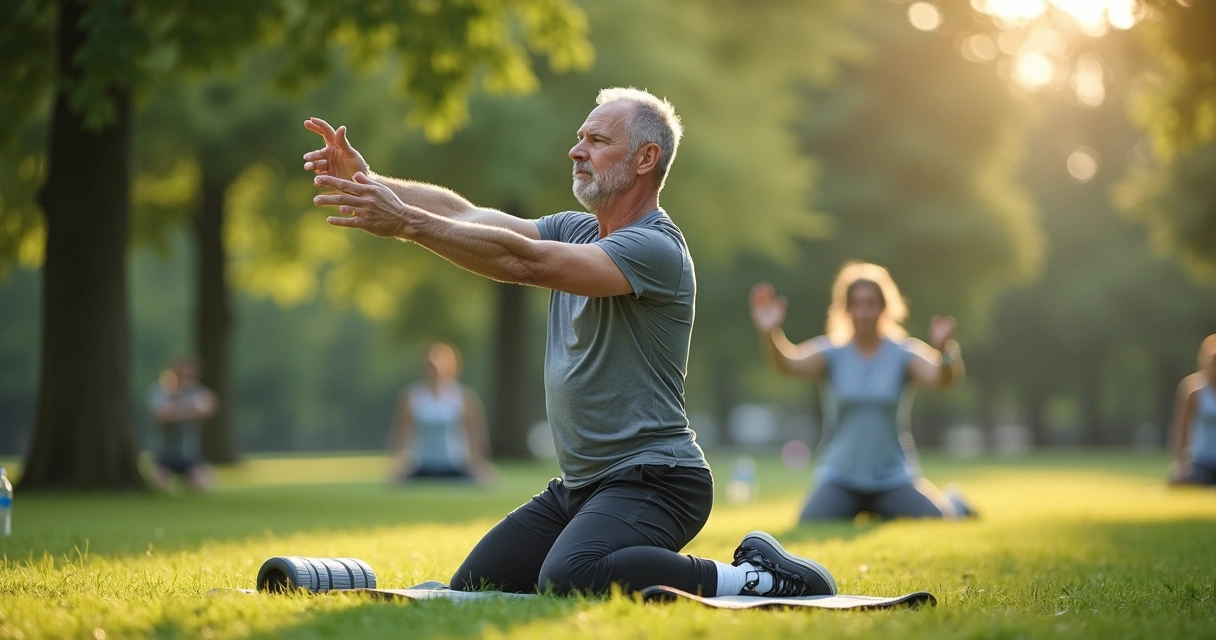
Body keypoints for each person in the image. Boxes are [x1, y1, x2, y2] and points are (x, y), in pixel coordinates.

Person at [304, 87, 837, 597]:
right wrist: (372, 183)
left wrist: (404, 222)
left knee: (570, 575)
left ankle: (757, 577)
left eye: (597, 141)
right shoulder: (575, 230)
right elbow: (466, 216)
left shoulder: (655, 248)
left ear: (646, 158)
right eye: (580, 137)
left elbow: (522, 262)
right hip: (581, 487)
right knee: (478, 585)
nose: (575, 150)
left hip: (659, 479)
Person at [749, 262, 973, 522]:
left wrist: (946, 351)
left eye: (870, 303)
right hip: (840, 477)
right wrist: (770, 333)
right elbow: (788, 365)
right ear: (846, 308)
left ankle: (955, 501)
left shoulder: (903, 353)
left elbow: (941, 379)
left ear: (884, 307)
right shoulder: (832, 352)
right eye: (856, 303)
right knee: (810, 519)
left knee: (938, 517)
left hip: (892, 477)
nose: (863, 311)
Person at [389, 342, 496, 484]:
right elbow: (401, 435)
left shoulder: (464, 397)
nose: (435, 371)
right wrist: (398, 464)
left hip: (455, 464)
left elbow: (474, 436)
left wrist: (479, 464)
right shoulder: (411, 397)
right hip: (421, 465)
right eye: (431, 367)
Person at [146, 356, 217, 491]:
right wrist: (190, 410)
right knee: (157, 487)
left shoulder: (196, 391)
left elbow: (208, 408)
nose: (185, 379)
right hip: (163, 456)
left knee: (205, 487)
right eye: (181, 374)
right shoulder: (158, 392)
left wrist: (177, 411)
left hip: (190, 455)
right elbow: (162, 416)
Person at [1167, 334, 1216, 487]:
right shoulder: (1194, 390)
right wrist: (1181, 463)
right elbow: (1181, 429)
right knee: (1182, 478)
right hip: (1201, 461)